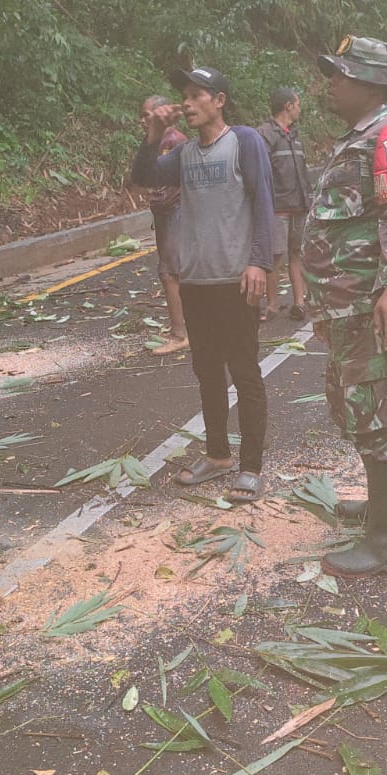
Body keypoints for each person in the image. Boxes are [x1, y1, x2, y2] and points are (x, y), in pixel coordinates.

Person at [304, 37, 387, 578]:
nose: (331, 82)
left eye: (343, 75)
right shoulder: (359, 135)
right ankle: (383, 510)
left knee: (376, 413)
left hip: (367, 301)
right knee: (357, 406)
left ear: (373, 84)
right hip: (344, 302)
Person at [132, 67, 275, 503]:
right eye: (184, 97)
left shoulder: (245, 141)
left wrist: (259, 263)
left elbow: (264, 201)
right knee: (207, 372)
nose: (188, 104)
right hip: (196, 280)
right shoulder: (186, 153)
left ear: (220, 100)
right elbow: (145, 176)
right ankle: (217, 455)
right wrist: (154, 134)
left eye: (196, 96)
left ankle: (251, 467)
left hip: (236, 278)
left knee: (246, 373)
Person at [139, 95, 189, 354]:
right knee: (171, 270)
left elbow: (166, 185)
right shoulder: (158, 141)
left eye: (148, 115)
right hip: (167, 212)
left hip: (175, 211)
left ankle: (180, 332)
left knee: (170, 272)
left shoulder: (173, 142)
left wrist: (159, 201)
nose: (143, 120)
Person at [258, 87, 310, 321]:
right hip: (277, 207)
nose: (300, 109)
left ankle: (299, 303)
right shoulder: (265, 135)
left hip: (298, 206)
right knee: (275, 256)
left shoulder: (295, 135)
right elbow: (260, 173)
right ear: (288, 106)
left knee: (297, 254)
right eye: (297, 104)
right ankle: (272, 304)